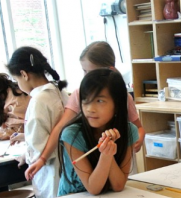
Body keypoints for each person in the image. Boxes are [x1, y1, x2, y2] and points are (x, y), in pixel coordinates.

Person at [48, 41, 144, 174]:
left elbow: (137, 126)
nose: (85, 77)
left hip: (119, 160)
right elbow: (61, 126)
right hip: (90, 166)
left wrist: (138, 137)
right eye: (84, 71)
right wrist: (42, 158)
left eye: (90, 71)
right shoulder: (79, 93)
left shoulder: (124, 96)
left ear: (109, 71)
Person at [57, 68, 137, 196]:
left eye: (99, 101)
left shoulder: (129, 131)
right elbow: (93, 188)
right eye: (85, 100)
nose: (90, 109)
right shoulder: (72, 134)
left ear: (117, 104)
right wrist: (105, 154)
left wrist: (108, 152)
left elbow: (118, 185)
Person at [7, 46, 68, 198]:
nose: (18, 84)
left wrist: (27, 155)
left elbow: (38, 146)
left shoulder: (39, 100)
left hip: (51, 171)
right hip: (67, 167)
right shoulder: (59, 91)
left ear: (24, 74)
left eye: (16, 80)